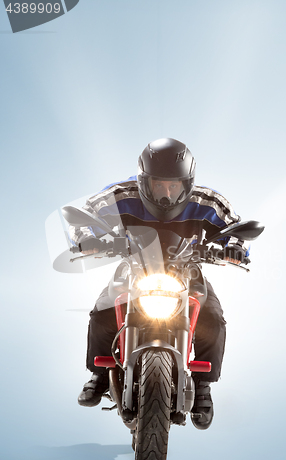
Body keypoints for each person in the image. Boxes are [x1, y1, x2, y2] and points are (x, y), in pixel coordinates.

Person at [69, 138, 249, 430]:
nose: (166, 193)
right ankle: (100, 375)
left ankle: (203, 385)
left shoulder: (207, 202)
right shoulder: (120, 195)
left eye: (173, 186)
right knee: (102, 312)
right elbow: (86, 216)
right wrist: (87, 240)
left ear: (187, 183)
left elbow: (235, 229)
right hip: (135, 267)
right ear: (144, 181)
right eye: (158, 185)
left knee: (213, 319)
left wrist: (234, 249)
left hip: (185, 271)